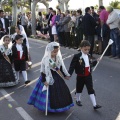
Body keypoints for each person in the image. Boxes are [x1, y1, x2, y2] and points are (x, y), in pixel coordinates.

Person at [28, 42, 74, 112]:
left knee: (61, 91)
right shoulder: (46, 59)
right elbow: (43, 71)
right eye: (54, 52)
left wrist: (65, 75)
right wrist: (44, 81)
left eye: (57, 51)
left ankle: (62, 106)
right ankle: (49, 108)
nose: (56, 53)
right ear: (49, 51)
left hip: (57, 76)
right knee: (48, 93)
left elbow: (60, 68)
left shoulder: (58, 58)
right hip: (47, 77)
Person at [68, 40, 102, 110]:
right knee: (79, 88)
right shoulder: (77, 56)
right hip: (80, 75)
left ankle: (95, 105)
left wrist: (96, 61)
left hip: (88, 75)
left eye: (88, 49)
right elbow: (72, 66)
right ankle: (78, 100)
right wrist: (69, 74)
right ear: (81, 48)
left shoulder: (89, 56)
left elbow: (90, 64)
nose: (87, 51)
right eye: (85, 49)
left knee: (90, 89)